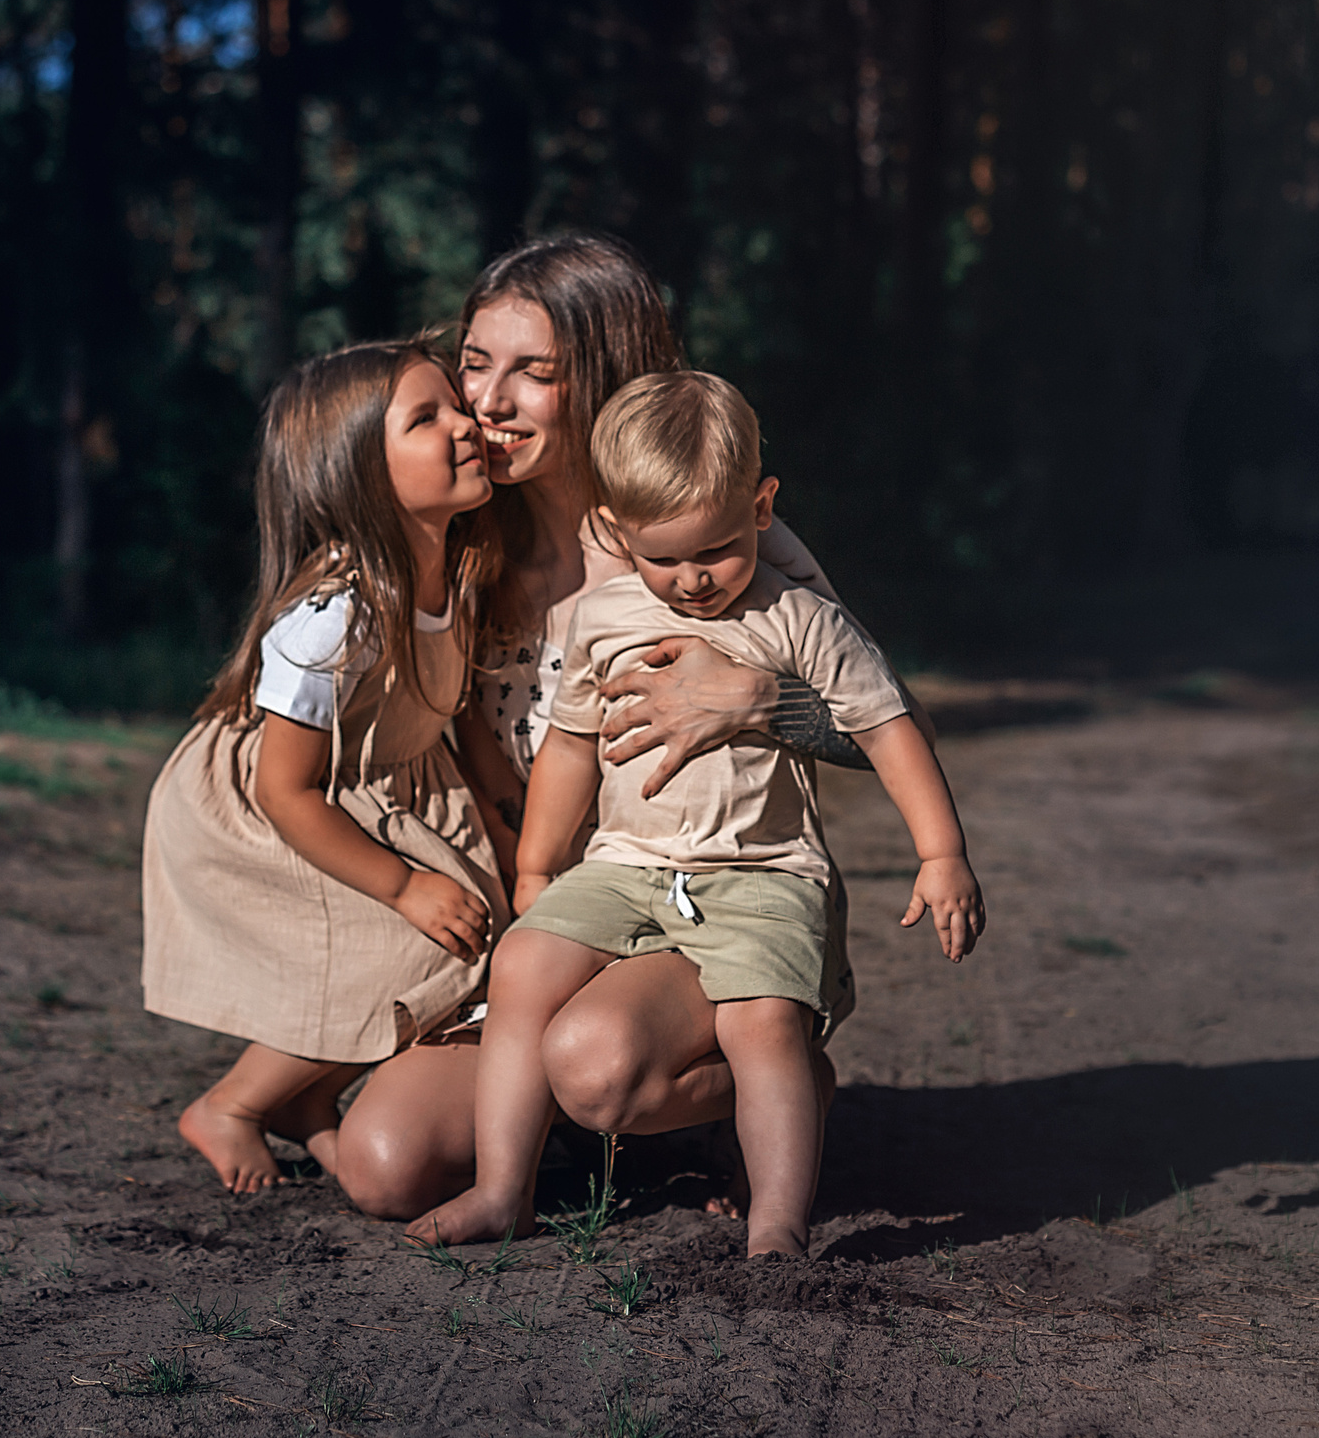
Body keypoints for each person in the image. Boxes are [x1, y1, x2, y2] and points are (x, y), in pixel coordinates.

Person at [326, 232, 930, 1225]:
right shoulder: (465, 532)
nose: (488, 399)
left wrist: (764, 703)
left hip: (708, 901)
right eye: (475, 364)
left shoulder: (717, 539)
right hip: (554, 922)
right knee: (381, 1165)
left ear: (602, 379)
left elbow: (891, 723)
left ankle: (763, 1072)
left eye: (533, 373)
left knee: (597, 1067)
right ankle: (571, 1134)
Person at [409, 372, 985, 1255]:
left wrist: (940, 852)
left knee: (760, 1021)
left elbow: (892, 729)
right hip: (626, 866)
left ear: (762, 508)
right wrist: (536, 863)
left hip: (762, 873)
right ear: (613, 530)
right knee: (522, 960)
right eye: (662, 557)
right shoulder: (602, 617)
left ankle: (778, 1226)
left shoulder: (800, 618)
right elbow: (569, 746)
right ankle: (501, 1192)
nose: (691, 580)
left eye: (714, 549)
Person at [141, 339, 506, 1197]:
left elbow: (446, 716)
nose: (466, 424)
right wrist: (403, 884)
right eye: (429, 418)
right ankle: (232, 1105)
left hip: (374, 784)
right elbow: (284, 787)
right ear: (360, 476)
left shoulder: (455, 568)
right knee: (385, 953)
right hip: (279, 803)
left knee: (440, 941)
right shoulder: (334, 621)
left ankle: (311, 1105)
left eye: (457, 404)